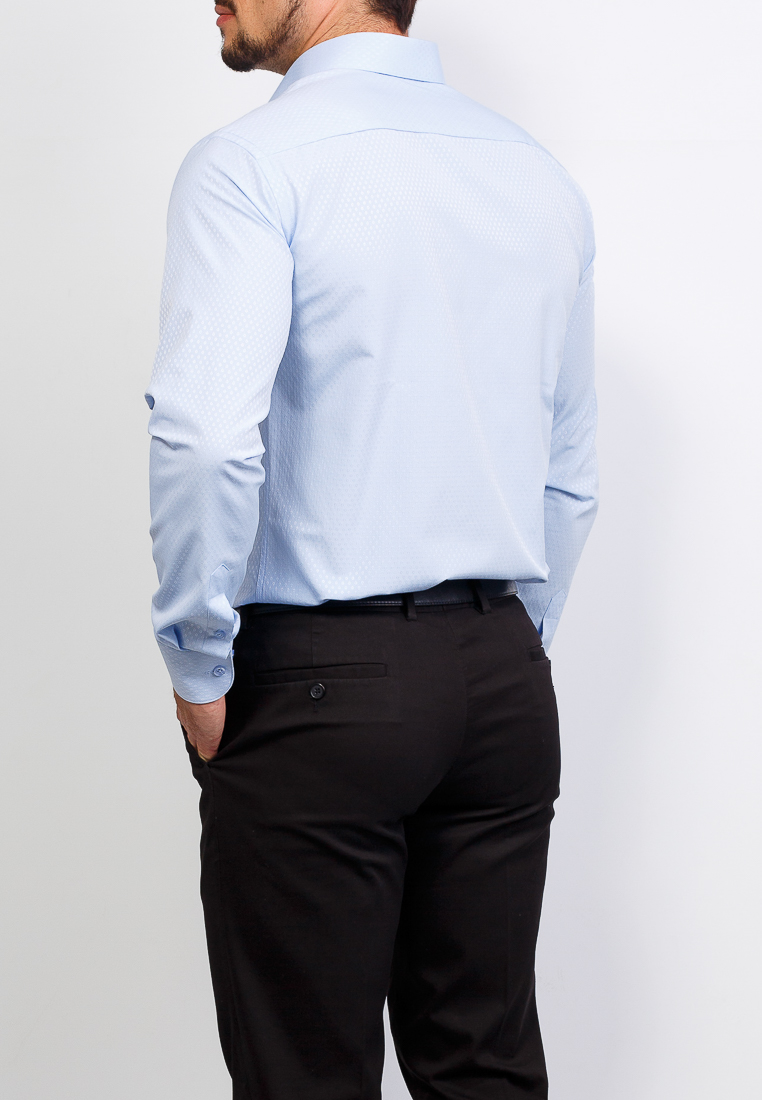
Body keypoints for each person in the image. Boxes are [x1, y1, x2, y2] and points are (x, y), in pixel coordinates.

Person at [145, 0, 598, 1096]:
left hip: (317, 685)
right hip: (502, 687)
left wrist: (199, 661)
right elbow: (568, 471)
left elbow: (207, 437)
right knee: (483, 1069)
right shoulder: (536, 175)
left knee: (305, 1076)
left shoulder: (253, 164)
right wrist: (502, 647)